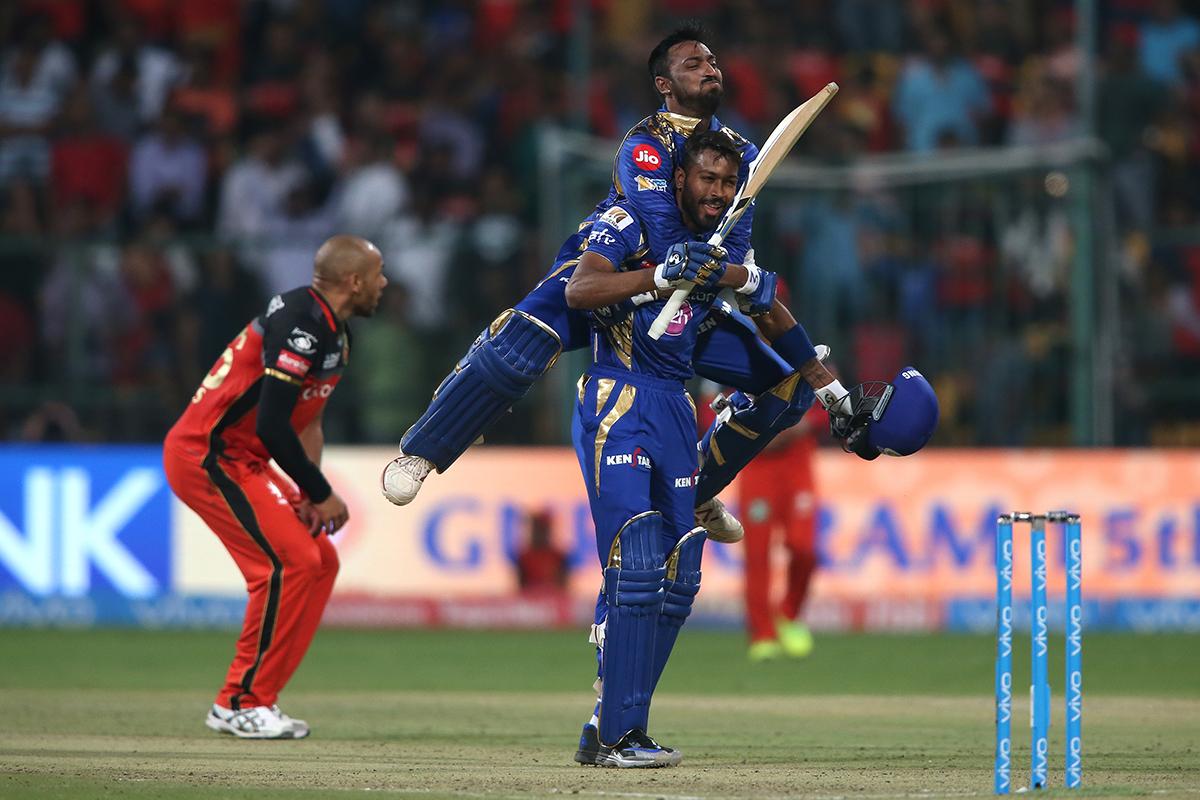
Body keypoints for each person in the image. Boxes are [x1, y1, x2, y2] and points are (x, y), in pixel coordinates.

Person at [382, 25, 848, 544]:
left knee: (786, 390)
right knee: (519, 342)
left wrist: (739, 279)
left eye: (713, 61)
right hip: (611, 270)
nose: (710, 69)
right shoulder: (645, 142)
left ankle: (697, 490)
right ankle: (423, 451)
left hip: (682, 295)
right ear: (664, 84)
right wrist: (720, 273)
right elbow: (663, 235)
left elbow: (732, 246)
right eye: (693, 63)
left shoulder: (740, 151)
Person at [163, 235, 386, 739]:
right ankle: (239, 702)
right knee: (289, 564)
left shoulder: (336, 332)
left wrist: (308, 497)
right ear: (355, 282)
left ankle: (258, 698)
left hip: (242, 459)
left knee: (320, 560)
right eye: (378, 274)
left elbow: (309, 422)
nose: (384, 283)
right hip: (207, 454)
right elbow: (271, 424)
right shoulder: (300, 324)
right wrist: (321, 490)